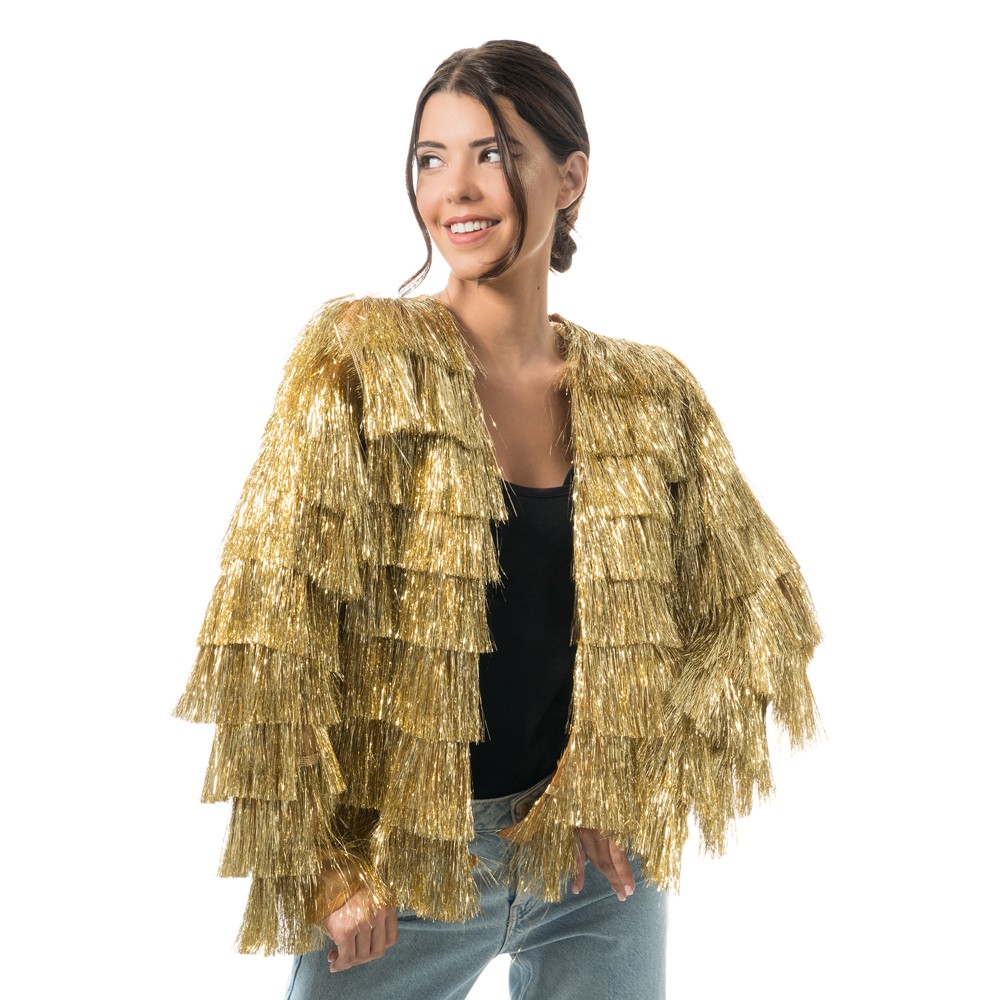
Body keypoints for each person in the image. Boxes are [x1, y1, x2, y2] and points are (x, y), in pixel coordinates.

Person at [174, 39, 822, 1000]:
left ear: (571, 178)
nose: (457, 190)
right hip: (399, 867)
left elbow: (767, 611)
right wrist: (324, 863)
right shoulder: (362, 361)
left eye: (495, 153)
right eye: (431, 158)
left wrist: (629, 765)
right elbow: (271, 628)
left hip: (595, 874)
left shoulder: (651, 395)